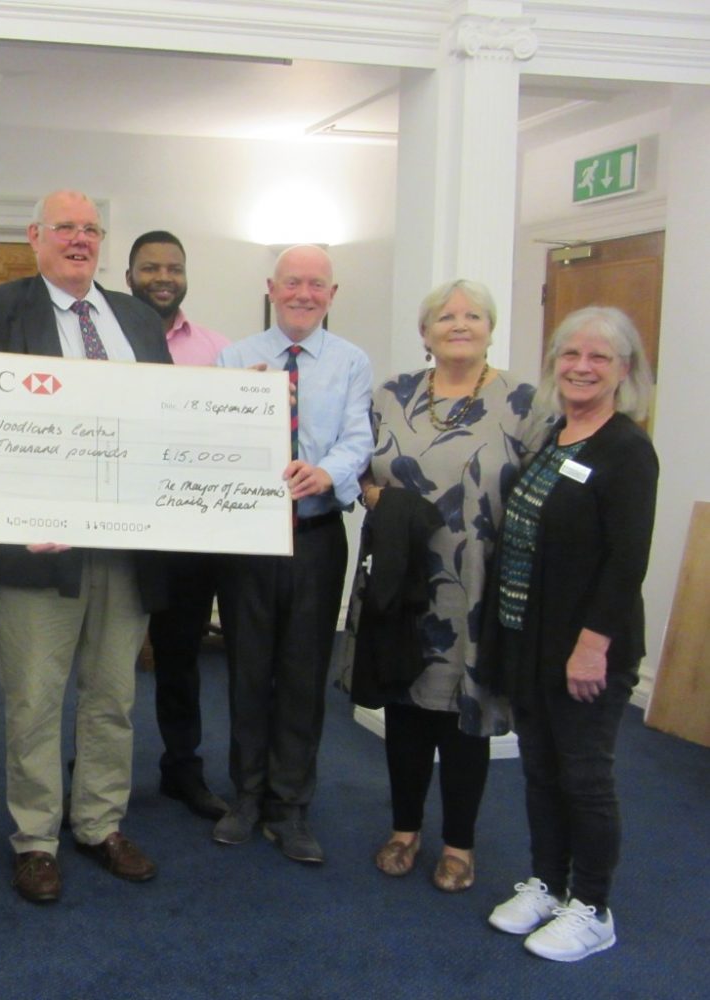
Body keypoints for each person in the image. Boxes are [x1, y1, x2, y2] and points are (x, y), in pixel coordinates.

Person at [0, 189, 171, 903]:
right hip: (39, 549)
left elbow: (163, 422)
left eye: (90, 229)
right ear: (35, 238)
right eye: (64, 228)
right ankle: (35, 839)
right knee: (33, 697)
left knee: (112, 693)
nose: (78, 239)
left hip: (127, 545)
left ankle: (99, 823)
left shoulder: (137, 317)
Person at [351, 280, 546, 892]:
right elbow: (358, 466)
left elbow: (545, 490)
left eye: (472, 315)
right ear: (425, 331)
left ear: (491, 327)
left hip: (477, 581)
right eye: (445, 316)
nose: (459, 324)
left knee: (465, 717)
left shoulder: (525, 401)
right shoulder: (390, 395)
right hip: (401, 579)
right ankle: (404, 829)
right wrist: (375, 497)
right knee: (404, 706)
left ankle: (460, 844)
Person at [486, 306, 658, 962]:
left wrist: (592, 645)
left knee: (583, 776)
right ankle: (546, 884)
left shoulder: (626, 449)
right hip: (529, 640)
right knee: (538, 771)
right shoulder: (552, 433)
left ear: (623, 371)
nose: (581, 367)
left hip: (586, 649)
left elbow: (626, 561)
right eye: (569, 355)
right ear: (554, 362)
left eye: (599, 358)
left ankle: (592, 907)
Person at [213, 244, 372, 864]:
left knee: (304, 673)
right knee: (248, 668)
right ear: (271, 289)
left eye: (317, 285)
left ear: (333, 295)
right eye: (293, 283)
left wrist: (326, 473)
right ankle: (247, 795)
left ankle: (291, 804)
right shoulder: (236, 357)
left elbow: (359, 436)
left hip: (315, 534)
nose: (304, 293)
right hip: (248, 539)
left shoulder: (352, 362)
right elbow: (217, 437)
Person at [124, 230, 231, 820]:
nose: (162, 277)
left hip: (188, 534)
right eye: (149, 268)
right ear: (129, 275)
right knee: (103, 663)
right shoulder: (105, 341)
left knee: (181, 656)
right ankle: (93, 774)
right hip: (114, 532)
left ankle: (182, 770)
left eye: (173, 267)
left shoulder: (220, 349)